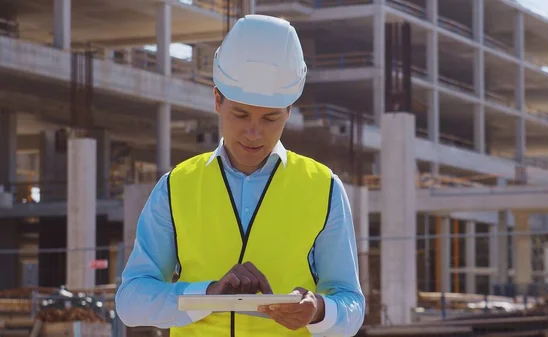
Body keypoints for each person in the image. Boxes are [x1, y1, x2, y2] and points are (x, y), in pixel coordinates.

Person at [115, 14, 365, 337]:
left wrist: (318, 310)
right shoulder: (176, 188)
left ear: (289, 111)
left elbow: (351, 305)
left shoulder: (324, 189)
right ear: (217, 99)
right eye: (241, 114)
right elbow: (130, 300)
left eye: (270, 118)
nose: (253, 132)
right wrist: (207, 296)